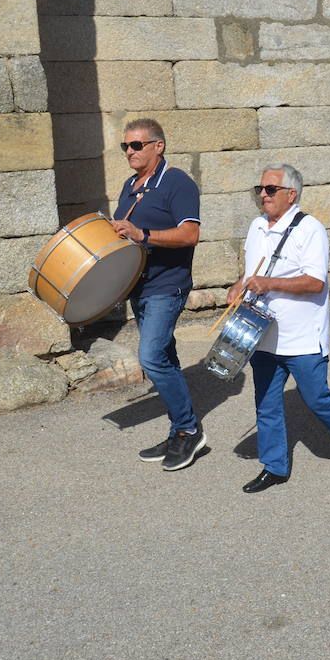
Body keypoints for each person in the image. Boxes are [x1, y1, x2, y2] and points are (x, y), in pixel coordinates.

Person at [232, 165, 330, 493]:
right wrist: (238, 284)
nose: (262, 195)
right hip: (262, 332)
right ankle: (275, 466)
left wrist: (269, 283)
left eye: (269, 189)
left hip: (302, 336)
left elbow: (314, 281)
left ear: (290, 194)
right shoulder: (256, 226)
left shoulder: (310, 229)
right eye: (259, 189)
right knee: (265, 400)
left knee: (317, 397)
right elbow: (252, 271)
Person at [114, 119, 205, 471]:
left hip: (167, 284)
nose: (130, 152)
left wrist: (141, 233)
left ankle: (188, 430)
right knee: (164, 357)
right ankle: (177, 431)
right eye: (126, 147)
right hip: (139, 285)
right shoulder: (131, 185)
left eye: (137, 145)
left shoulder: (177, 182)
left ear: (158, 146)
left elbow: (189, 234)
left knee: (151, 357)